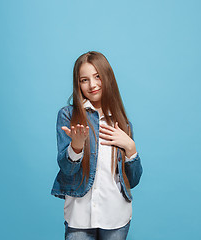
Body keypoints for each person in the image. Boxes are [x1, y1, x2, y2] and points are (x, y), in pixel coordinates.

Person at [51, 51, 143, 240]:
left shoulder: (122, 123)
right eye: (84, 80)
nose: (92, 85)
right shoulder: (69, 116)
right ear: (78, 84)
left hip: (116, 217)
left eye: (97, 77)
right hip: (79, 217)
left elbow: (132, 181)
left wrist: (131, 149)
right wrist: (76, 147)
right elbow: (67, 169)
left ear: (107, 78)